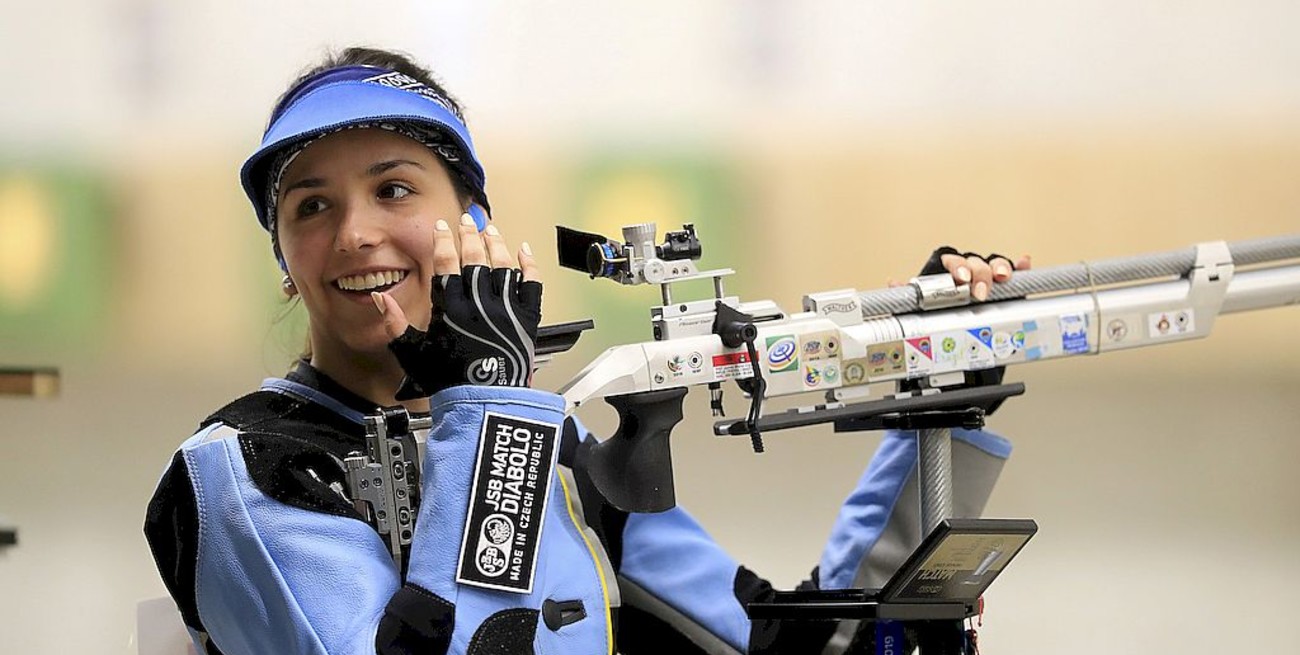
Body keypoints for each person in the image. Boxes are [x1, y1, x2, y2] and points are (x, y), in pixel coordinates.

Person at [143, 47, 1028, 655]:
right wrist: (490, 405)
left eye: (394, 188)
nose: (356, 233)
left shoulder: (555, 453)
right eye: (310, 206)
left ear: (473, 227)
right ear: (286, 265)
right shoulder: (242, 472)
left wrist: (933, 393)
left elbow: (800, 641)